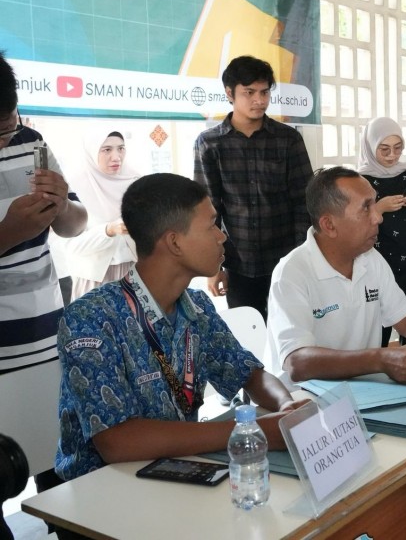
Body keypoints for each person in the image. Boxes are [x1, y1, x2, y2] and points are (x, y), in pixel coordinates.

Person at [56, 173, 307, 484]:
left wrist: (287, 406)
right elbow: (116, 442)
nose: (222, 236)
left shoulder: (197, 307)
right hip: (102, 494)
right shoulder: (91, 317)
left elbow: (249, 374)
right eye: (212, 225)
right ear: (174, 242)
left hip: (177, 473)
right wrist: (250, 432)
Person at [265, 167, 406, 501]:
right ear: (329, 224)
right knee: (381, 483)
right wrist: (380, 358)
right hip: (306, 408)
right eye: (365, 208)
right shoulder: (294, 271)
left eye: (375, 205)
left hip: (364, 397)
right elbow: (298, 363)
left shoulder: (370, 259)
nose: (378, 218)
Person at [194, 55, 313, 320]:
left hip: (287, 261)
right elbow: (207, 212)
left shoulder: (288, 139)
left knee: (292, 336)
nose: (259, 100)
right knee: (249, 343)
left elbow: (304, 203)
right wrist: (214, 266)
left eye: (264, 92)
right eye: (249, 92)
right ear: (230, 93)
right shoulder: (210, 144)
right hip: (239, 264)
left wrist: (302, 258)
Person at [0, 50, 88, 373]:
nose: (6, 141)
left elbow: (75, 225)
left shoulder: (31, 142)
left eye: (10, 125)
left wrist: (63, 205)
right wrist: (9, 233)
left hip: (46, 335)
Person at [358, 117, 406, 346]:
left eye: (398, 148)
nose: (392, 156)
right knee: (377, 329)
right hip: (377, 261)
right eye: (384, 150)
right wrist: (379, 208)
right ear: (371, 147)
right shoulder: (361, 180)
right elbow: (352, 222)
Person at [62, 128, 141, 300]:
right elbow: (71, 246)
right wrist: (108, 230)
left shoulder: (136, 182)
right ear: (92, 151)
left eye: (121, 148)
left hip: (135, 275)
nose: (116, 156)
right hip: (94, 280)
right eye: (106, 150)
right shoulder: (75, 186)